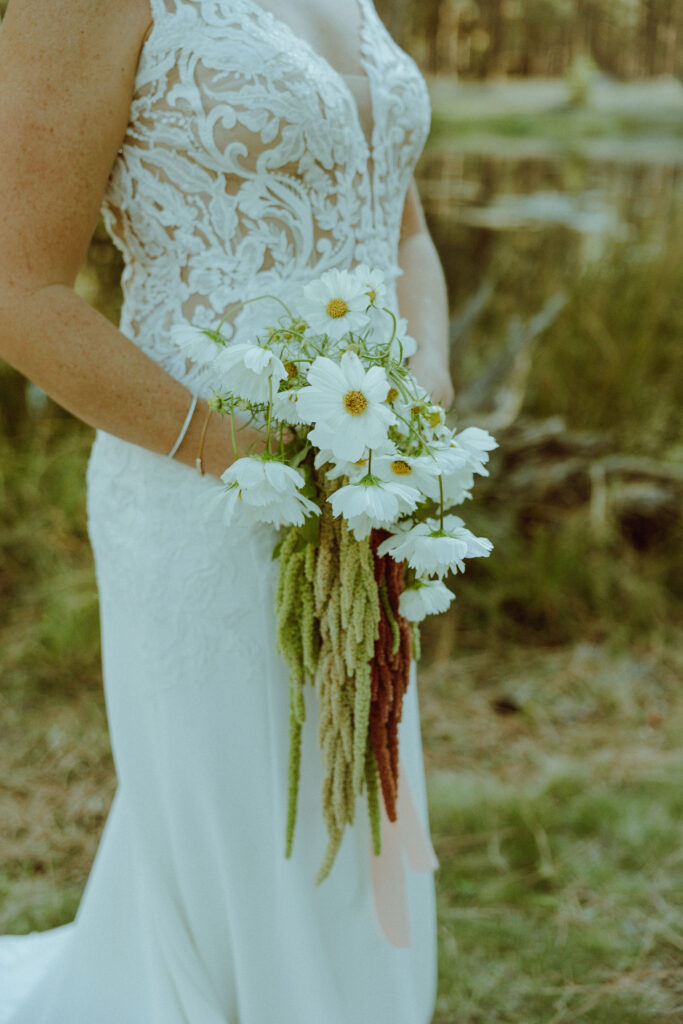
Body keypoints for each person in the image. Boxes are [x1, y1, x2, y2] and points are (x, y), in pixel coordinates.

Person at [0, 0, 454, 1020]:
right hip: (201, 496)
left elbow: (404, 226)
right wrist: (251, 458)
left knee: (358, 784)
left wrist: (420, 396)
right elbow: (17, 290)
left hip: (369, 487)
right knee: (248, 821)